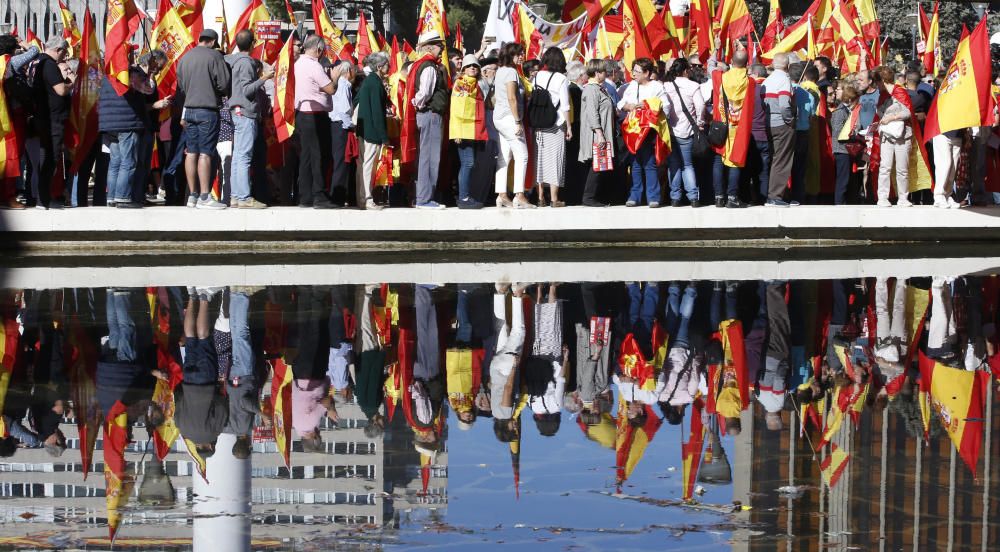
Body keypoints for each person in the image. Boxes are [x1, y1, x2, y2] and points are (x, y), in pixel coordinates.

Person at [97, 49, 168, 209]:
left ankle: (112, 197)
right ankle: (122, 197)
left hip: (109, 125)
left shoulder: (108, 75)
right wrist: (149, 73)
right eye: (129, 54)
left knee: (115, 162)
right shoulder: (129, 74)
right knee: (128, 162)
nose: (133, 57)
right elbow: (147, 89)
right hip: (126, 123)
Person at [176, 29, 231, 210]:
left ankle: (192, 195)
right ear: (213, 41)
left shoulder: (185, 58)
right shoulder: (214, 56)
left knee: (191, 152)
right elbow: (224, 84)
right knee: (206, 152)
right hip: (207, 110)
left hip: (189, 110)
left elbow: (182, 87)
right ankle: (205, 196)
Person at [228, 29, 273, 209]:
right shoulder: (246, 63)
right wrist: (264, 78)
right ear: (253, 44)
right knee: (244, 156)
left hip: (237, 110)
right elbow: (247, 90)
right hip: (245, 112)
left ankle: (236, 196)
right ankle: (244, 196)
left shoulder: (233, 61)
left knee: (239, 156)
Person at [405, 30, 449, 210]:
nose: (442, 49)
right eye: (440, 46)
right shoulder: (429, 67)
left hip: (426, 115)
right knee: (430, 157)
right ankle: (424, 198)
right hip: (430, 114)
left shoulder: (419, 65)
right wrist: (418, 103)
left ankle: (423, 196)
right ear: (430, 47)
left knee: (426, 156)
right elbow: (424, 93)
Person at [618, 57, 669, 208]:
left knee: (649, 163)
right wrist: (631, 106)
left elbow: (666, 106)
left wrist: (648, 107)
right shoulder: (632, 86)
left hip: (649, 131)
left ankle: (653, 197)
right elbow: (621, 103)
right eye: (633, 71)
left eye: (637, 71)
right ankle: (635, 196)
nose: (634, 74)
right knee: (635, 164)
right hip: (633, 130)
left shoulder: (657, 87)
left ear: (647, 73)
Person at [294, 35, 336, 209]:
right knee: (319, 155)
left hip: (302, 114)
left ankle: (305, 196)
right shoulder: (314, 66)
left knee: (307, 156)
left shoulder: (297, 64)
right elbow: (330, 89)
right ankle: (319, 194)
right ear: (318, 49)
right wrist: (334, 76)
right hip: (314, 114)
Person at [32, 37, 74, 209]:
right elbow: (61, 90)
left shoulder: (38, 62)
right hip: (52, 120)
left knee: (47, 159)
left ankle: (43, 198)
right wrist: (71, 81)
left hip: (45, 118)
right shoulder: (48, 64)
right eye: (64, 52)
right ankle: (44, 199)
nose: (64, 57)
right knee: (50, 159)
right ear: (58, 49)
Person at [710, 50, 753, 209]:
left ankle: (719, 197)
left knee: (718, 160)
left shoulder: (721, 76)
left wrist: (717, 49)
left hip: (721, 124)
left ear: (732, 62)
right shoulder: (749, 81)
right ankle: (732, 197)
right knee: (735, 161)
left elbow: (711, 68)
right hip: (738, 127)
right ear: (746, 64)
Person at [493, 43, 532, 209]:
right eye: (519, 53)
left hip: (500, 118)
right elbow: (512, 98)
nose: (522, 56)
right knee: (522, 155)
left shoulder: (500, 71)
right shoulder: (510, 72)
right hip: (510, 118)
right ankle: (519, 195)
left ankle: (502, 194)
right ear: (511, 55)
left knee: (504, 156)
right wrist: (517, 121)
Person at [532, 47, 572, 208]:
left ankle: (540, 197)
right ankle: (554, 199)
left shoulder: (537, 76)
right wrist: (568, 126)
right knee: (556, 160)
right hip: (555, 124)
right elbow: (565, 105)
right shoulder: (561, 79)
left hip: (538, 124)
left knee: (539, 160)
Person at [663, 57, 703, 208]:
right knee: (687, 165)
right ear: (686, 70)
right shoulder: (693, 85)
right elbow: (700, 106)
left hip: (671, 130)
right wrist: (700, 122)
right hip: (688, 130)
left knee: (674, 165)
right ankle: (693, 197)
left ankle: (675, 198)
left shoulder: (666, 86)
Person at [448, 54, 487, 209]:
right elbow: (456, 108)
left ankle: (465, 196)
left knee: (469, 164)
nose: (472, 68)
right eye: (469, 65)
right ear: (463, 68)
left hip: (473, 130)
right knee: (468, 163)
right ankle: (463, 198)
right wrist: (456, 132)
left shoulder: (477, 84)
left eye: (475, 66)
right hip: (463, 131)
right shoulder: (460, 83)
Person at [355, 51, 391, 210]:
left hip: (365, 129)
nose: (389, 67)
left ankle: (363, 198)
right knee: (368, 165)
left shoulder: (369, 81)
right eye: (387, 64)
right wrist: (384, 136)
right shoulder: (375, 83)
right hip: (372, 131)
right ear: (379, 66)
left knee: (363, 165)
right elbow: (377, 111)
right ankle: (367, 199)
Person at [579, 59, 616, 207]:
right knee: (597, 165)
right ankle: (589, 197)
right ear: (596, 73)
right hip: (596, 134)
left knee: (599, 165)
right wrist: (599, 133)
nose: (605, 74)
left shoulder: (598, 88)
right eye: (603, 71)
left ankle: (592, 196)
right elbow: (592, 113)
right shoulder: (591, 89)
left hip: (601, 132)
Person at [875, 66, 912, 208]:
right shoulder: (882, 95)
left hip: (903, 135)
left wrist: (891, 118)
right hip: (887, 135)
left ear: (883, 80)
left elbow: (907, 112)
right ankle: (882, 197)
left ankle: (903, 197)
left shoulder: (899, 91)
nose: (876, 85)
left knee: (902, 169)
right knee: (885, 167)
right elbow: (879, 112)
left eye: (877, 82)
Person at [762, 53, 794, 207]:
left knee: (776, 159)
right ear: (787, 65)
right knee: (782, 160)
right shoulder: (784, 79)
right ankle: (775, 196)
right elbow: (784, 104)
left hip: (768, 123)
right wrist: (790, 120)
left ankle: (775, 195)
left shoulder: (767, 81)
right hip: (782, 124)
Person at [791, 64, 819, 205]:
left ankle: (783, 195)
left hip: (789, 132)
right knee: (799, 167)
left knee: (784, 164)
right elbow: (812, 116)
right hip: (803, 132)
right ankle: (797, 196)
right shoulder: (808, 95)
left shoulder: (786, 91)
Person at [328, 60, 355, 204]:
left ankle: (337, 195)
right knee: (341, 162)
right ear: (349, 71)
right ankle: (337, 197)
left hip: (336, 125)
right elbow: (344, 109)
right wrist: (351, 125)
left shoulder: (339, 84)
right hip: (341, 126)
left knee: (338, 161)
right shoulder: (343, 85)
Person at [831, 84, 859, 205]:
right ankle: (839, 202)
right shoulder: (840, 112)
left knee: (847, 179)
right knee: (843, 179)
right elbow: (837, 131)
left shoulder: (847, 111)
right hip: (841, 149)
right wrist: (852, 133)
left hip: (847, 149)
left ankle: (844, 201)